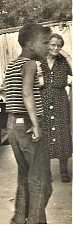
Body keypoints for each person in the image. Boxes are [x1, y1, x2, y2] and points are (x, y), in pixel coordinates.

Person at [4, 23, 53, 224]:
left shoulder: (13, 64)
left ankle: (18, 220)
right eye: (45, 43)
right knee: (42, 182)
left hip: (12, 124)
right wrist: (36, 124)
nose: (48, 47)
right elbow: (26, 93)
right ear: (31, 45)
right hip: (28, 125)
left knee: (25, 178)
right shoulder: (31, 64)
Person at [38, 33, 72, 183]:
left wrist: (66, 55)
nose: (56, 48)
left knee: (62, 133)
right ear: (47, 45)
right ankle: (46, 172)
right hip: (42, 100)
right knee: (44, 134)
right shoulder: (39, 61)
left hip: (60, 100)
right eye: (53, 44)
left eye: (59, 45)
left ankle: (63, 170)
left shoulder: (63, 62)